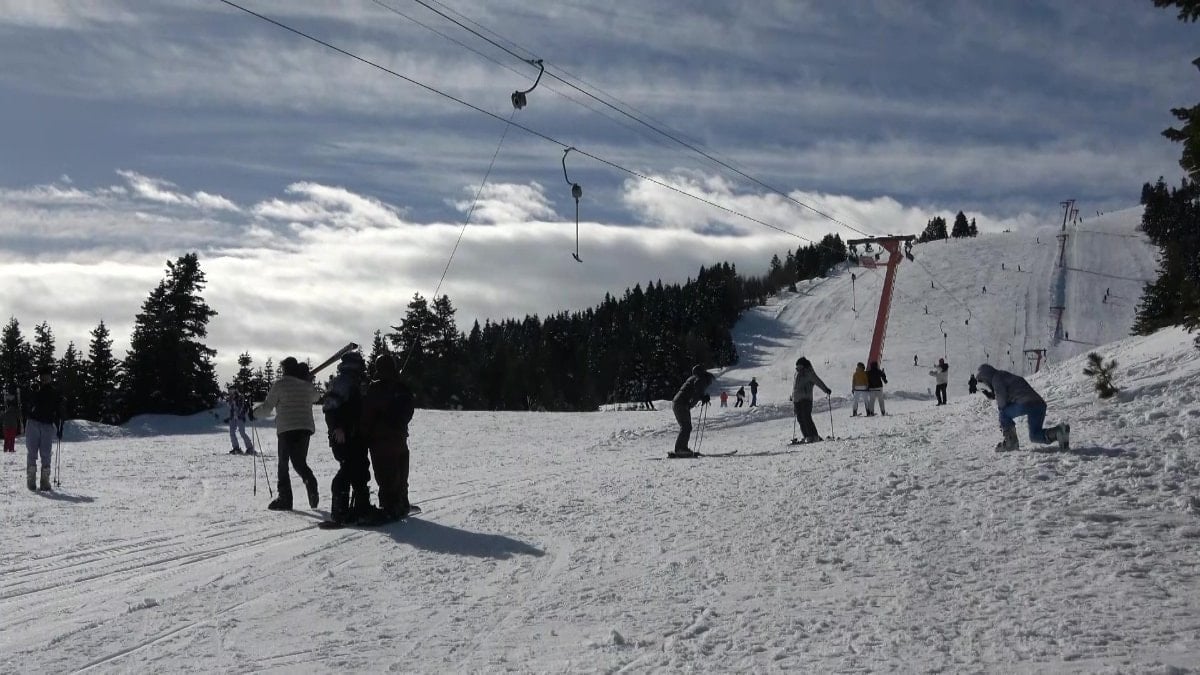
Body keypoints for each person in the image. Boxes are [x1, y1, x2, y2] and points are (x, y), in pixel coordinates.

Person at [321, 351, 381, 527]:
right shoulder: (343, 382)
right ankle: (339, 510)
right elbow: (330, 408)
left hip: (356, 433)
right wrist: (337, 428)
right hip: (344, 435)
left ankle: (361, 507)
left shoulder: (358, 381)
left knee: (360, 468)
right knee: (348, 469)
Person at [252, 356, 320, 511]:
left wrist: (254, 413)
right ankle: (310, 481)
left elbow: (268, 407)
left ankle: (285, 499)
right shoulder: (305, 385)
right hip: (305, 428)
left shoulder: (280, 385)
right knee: (299, 462)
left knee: (283, 464)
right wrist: (307, 381)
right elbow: (317, 397)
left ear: (284, 370)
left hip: (286, 428)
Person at [360, 353, 416, 522]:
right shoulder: (402, 388)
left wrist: (363, 435)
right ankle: (402, 503)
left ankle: (390, 507)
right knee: (400, 472)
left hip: (380, 441)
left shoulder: (374, 389)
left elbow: (367, 414)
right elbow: (409, 411)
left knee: (386, 475)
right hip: (399, 438)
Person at [975, 364, 1070, 451]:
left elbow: (1002, 403)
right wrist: (994, 395)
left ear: (986, 376)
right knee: (1035, 435)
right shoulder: (1004, 375)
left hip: (1027, 403)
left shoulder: (997, 379)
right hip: (1039, 404)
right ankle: (1059, 432)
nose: (986, 384)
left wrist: (1002, 421)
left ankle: (1011, 443)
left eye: (984, 381)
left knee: (1003, 414)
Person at [22, 369, 63, 491]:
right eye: (43, 377)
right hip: (33, 423)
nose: (45, 379)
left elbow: (58, 412)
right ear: (40, 378)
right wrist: (31, 393)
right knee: (32, 451)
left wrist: (60, 427)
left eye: (47, 377)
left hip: (47, 425)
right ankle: (31, 478)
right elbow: (27, 403)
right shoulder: (34, 389)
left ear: (51, 378)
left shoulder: (54, 393)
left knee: (46, 452)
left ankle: (45, 480)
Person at [670, 365, 713, 457]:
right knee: (686, 427)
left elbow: (695, 392)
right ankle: (680, 449)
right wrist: (701, 397)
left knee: (686, 426)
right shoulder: (699, 378)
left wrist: (701, 397)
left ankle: (682, 448)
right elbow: (697, 391)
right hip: (681, 404)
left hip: (678, 403)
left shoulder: (695, 378)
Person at [791, 358, 831, 442]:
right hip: (797, 400)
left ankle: (814, 436)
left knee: (806, 417)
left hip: (806, 399)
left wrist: (826, 389)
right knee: (800, 418)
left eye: (799, 366)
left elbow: (818, 381)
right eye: (797, 367)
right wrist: (793, 396)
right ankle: (807, 436)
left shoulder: (809, 373)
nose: (797, 368)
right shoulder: (797, 374)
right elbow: (795, 387)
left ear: (804, 365)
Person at [225, 389, 255, 455]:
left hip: (240, 417)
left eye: (232, 392)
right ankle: (236, 448)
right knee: (232, 432)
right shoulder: (230, 399)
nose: (231, 393)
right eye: (230, 392)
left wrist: (240, 414)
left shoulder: (240, 398)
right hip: (233, 418)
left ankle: (250, 448)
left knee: (242, 432)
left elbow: (242, 407)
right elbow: (230, 407)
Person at [2, 388, 20, 453]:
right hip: (12, 426)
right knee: (12, 438)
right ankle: (11, 449)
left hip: (6, 426)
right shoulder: (15, 411)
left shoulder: (6, 411)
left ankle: (5, 448)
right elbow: (18, 417)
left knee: (7, 438)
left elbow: (3, 417)